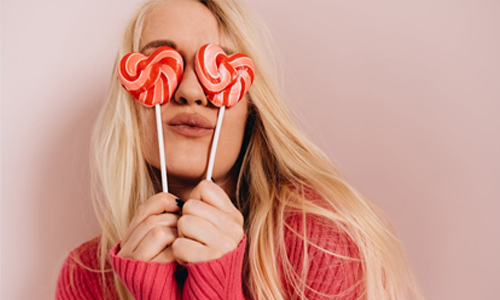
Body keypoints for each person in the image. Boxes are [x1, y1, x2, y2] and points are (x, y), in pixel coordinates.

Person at [56, 0, 424, 299]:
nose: (192, 91)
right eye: (161, 64)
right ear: (131, 100)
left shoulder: (316, 246)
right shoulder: (86, 277)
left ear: (250, 107)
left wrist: (216, 286)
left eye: (217, 70)